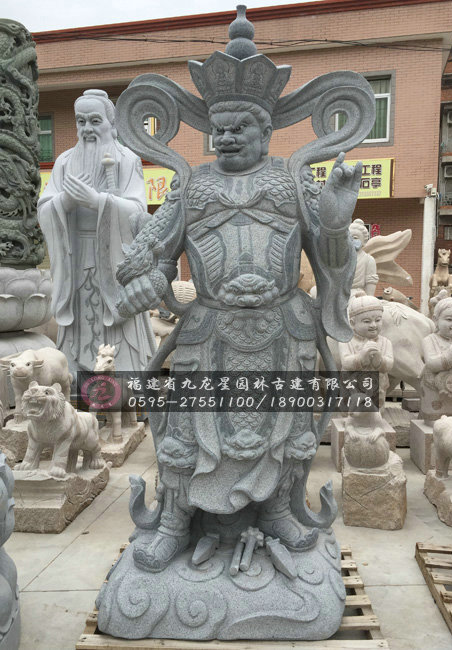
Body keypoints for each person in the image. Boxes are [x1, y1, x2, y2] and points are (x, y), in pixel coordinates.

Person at [114, 23, 365, 573]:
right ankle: (175, 522)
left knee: (283, 428)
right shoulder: (191, 185)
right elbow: (150, 252)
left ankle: (276, 510)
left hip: (283, 325)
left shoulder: (292, 181)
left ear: (266, 131)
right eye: (219, 129)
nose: (227, 137)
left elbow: (330, 260)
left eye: (240, 127)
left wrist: (334, 222)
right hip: (210, 327)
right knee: (188, 425)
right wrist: (149, 278)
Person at [38, 89, 156, 374]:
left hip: (113, 259)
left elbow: (138, 211)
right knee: (80, 318)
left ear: (110, 123)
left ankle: (123, 382)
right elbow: (45, 208)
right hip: (76, 258)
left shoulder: (127, 159)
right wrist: (65, 202)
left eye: (94, 120)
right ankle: (76, 376)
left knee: (116, 322)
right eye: (81, 121)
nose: (87, 129)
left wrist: (97, 201)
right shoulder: (64, 161)